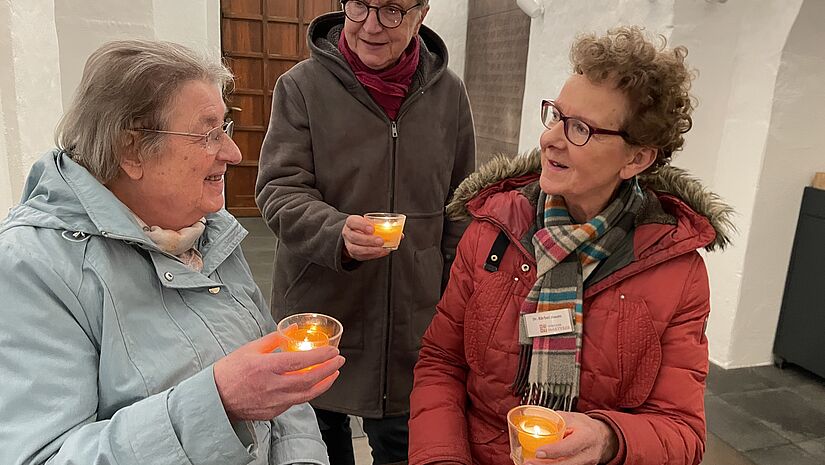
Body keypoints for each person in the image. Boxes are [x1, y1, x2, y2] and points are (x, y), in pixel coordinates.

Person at [0, 39, 345, 465]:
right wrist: (217, 403)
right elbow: (44, 457)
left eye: (226, 127)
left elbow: (278, 381)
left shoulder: (208, 231)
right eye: (207, 134)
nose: (233, 153)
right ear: (132, 149)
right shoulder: (33, 267)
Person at [408, 26, 734, 465]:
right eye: (556, 115)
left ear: (636, 158)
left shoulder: (676, 270)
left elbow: (683, 432)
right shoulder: (493, 229)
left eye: (580, 128)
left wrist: (609, 439)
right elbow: (441, 363)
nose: (550, 139)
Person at [255, 1, 475, 464]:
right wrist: (337, 233)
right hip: (321, 312)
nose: (371, 26)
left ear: (422, 13)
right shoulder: (300, 87)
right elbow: (278, 190)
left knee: (403, 447)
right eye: (360, 5)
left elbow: (462, 204)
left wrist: (455, 294)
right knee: (317, 445)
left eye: (393, 10)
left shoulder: (450, 95)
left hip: (412, 320)